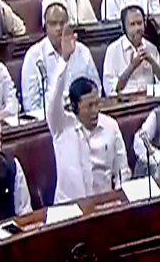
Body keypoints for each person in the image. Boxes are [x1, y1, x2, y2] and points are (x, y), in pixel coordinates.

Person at [47, 59, 129, 203]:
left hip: (104, 204)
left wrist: (119, 199)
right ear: (74, 107)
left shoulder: (111, 126)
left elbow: (122, 171)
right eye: (89, 106)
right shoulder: (61, 126)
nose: (95, 110)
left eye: (97, 103)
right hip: (69, 206)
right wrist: (64, 60)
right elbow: (53, 101)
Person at [21, 4, 100, 113]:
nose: (58, 28)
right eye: (53, 24)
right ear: (45, 26)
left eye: (62, 23)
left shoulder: (82, 51)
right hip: (49, 120)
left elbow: (96, 89)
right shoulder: (33, 56)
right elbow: (31, 105)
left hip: (82, 115)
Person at [103, 5, 160, 95]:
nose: (137, 28)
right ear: (123, 28)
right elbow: (111, 89)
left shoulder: (151, 47)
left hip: (149, 97)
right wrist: (132, 66)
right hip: (126, 100)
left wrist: (152, 61)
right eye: (132, 24)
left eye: (139, 23)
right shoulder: (112, 50)